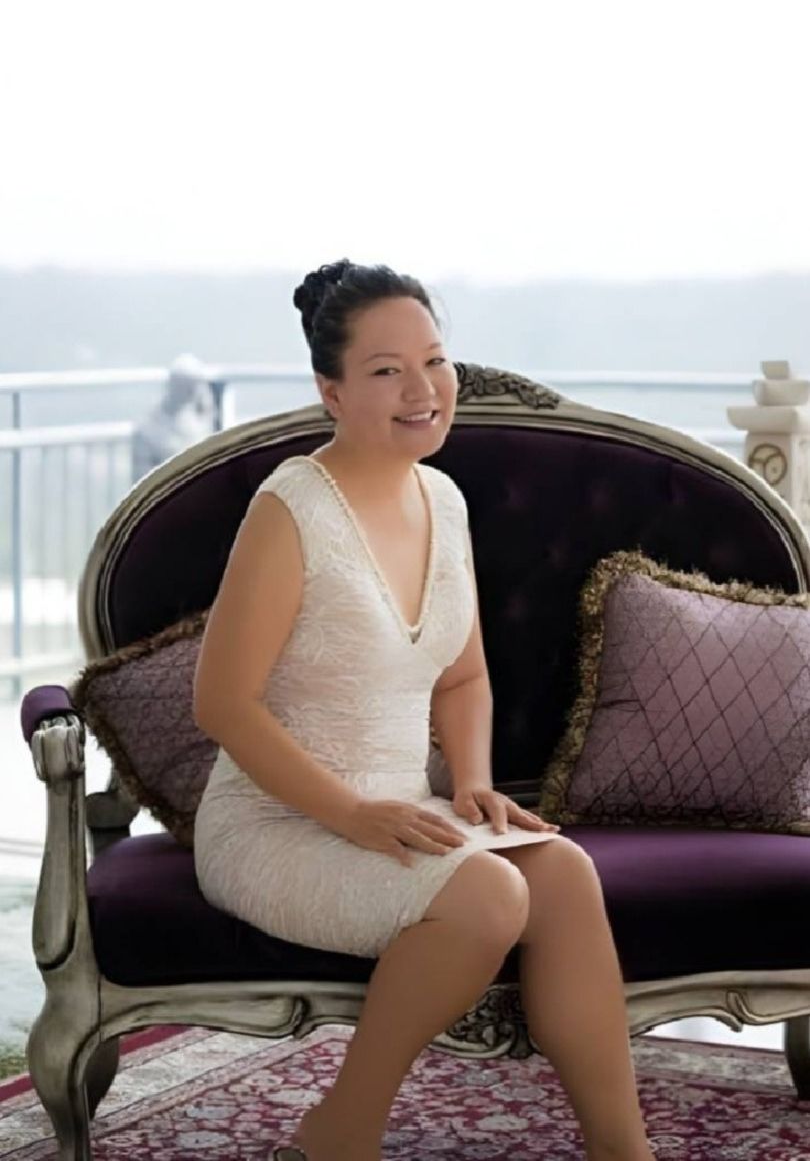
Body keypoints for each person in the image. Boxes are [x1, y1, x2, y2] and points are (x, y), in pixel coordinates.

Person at [192, 260, 655, 1161]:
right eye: (386, 370)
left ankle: (622, 1151)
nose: (423, 389)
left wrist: (473, 783)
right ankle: (341, 1132)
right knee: (491, 894)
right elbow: (221, 704)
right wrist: (351, 813)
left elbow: (462, 677)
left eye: (435, 361)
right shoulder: (291, 508)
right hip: (276, 826)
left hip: (400, 814)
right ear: (330, 391)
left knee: (563, 873)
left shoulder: (443, 498)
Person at [131, 352, 216, 481]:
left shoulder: (201, 419)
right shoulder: (148, 428)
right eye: (186, 385)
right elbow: (142, 479)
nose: (193, 390)